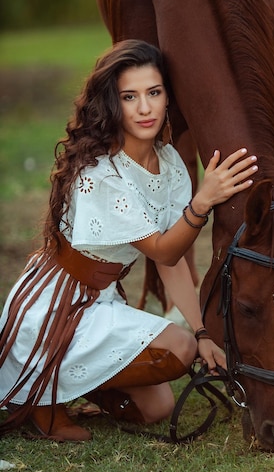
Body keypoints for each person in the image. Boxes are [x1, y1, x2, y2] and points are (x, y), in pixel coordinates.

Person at [0, 39, 258, 442]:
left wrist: (203, 331)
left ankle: (78, 387)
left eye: (154, 93)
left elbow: (170, 262)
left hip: (101, 298)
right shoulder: (101, 174)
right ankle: (40, 399)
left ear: (167, 96)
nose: (144, 108)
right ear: (111, 103)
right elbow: (161, 249)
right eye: (129, 96)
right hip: (57, 306)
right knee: (178, 349)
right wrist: (204, 200)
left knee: (157, 408)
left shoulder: (169, 161)